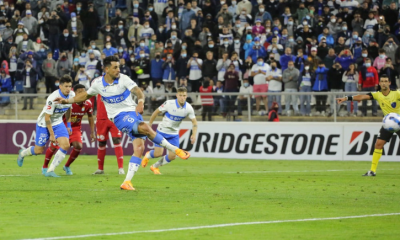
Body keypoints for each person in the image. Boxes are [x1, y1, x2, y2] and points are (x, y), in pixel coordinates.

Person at [54, 56, 190, 191]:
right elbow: (84, 95)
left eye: (119, 67)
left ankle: (127, 181)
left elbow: (138, 91)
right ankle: (175, 149)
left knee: (139, 148)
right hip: (119, 117)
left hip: (134, 113)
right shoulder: (98, 84)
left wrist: (141, 101)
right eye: (115, 67)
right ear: (106, 69)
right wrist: (67, 101)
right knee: (146, 128)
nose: (118, 70)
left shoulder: (123, 79)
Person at [337, 75, 400, 177]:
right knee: (378, 144)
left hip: (399, 122)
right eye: (382, 81)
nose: (384, 83)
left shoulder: (396, 94)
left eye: (386, 81)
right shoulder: (377, 95)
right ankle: (372, 171)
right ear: (379, 83)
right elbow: (362, 96)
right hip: (388, 124)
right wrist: (346, 98)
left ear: (389, 83)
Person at [17, 75, 75, 177]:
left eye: (70, 86)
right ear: (60, 86)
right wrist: (52, 135)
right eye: (66, 86)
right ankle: (22, 153)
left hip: (58, 122)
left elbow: (68, 108)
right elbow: (47, 117)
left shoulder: (72, 95)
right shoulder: (52, 98)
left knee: (66, 145)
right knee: (38, 150)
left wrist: (69, 124)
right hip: (44, 123)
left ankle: (50, 170)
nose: (68, 89)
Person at [141, 87, 197, 175]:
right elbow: (156, 112)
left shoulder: (189, 108)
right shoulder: (169, 103)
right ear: (177, 95)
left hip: (174, 134)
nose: (182, 97)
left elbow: (194, 122)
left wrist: (194, 134)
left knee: (172, 156)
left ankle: (155, 166)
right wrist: (150, 124)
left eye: (184, 96)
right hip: (162, 131)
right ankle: (147, 155)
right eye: (180, 95)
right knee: (158, 153)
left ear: (186, 96)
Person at [42, 84, 95, 175]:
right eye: (80, 92)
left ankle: (67, 166)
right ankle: (45, 166)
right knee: (54, 147)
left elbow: (90, 117)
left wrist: (92, 132)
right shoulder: (68, 101)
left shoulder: (88, 104)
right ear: (75, 93)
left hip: (76, 129)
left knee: (78, 146)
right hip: (62, 126)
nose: (82, 93)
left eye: (83, 91)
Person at [93, 92, 125, 175]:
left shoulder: (117, 84)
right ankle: (100, 169)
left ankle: (121, 168)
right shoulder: (98, 83)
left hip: (114, 116)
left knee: (117, 140)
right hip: (101, 118)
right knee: (101, 142)